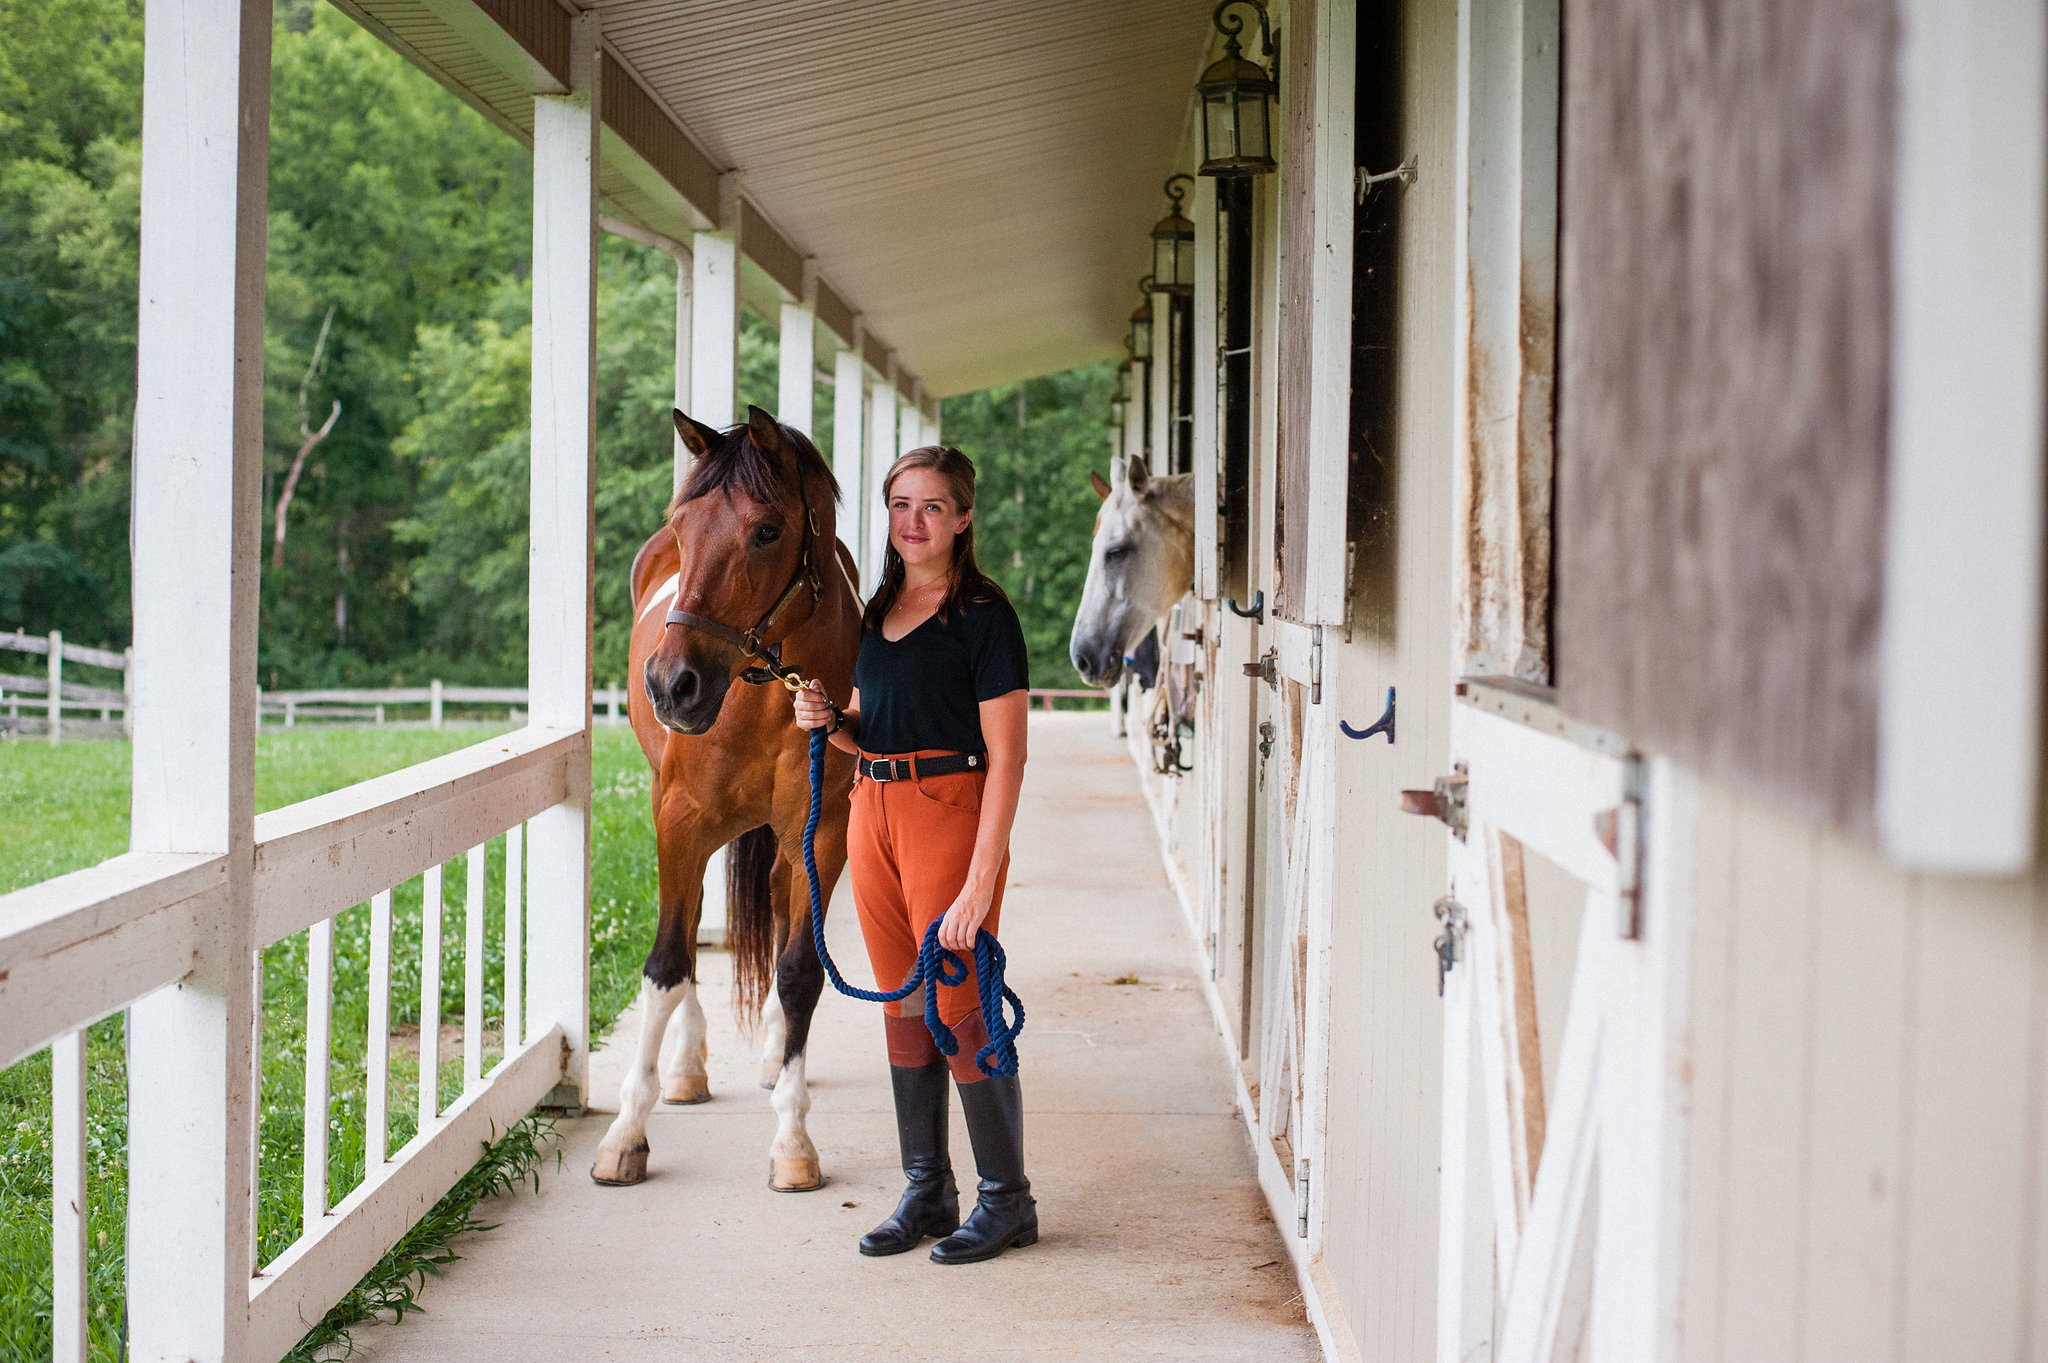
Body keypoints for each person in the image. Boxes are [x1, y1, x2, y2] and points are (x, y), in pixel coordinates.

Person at [791, 444, 1035, 1265]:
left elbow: (1009, 756)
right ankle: (928, 1189)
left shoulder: (985, 616)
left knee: (961, 1002)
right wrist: (828, 717)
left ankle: (1008, 1200)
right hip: (874, 808)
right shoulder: (877, 610)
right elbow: (873, 717)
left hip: (948, 812)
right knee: (903, 1003)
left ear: (963, 517)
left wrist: (980, 880)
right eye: (901, 504)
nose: (913, 521)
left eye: (931, 506)